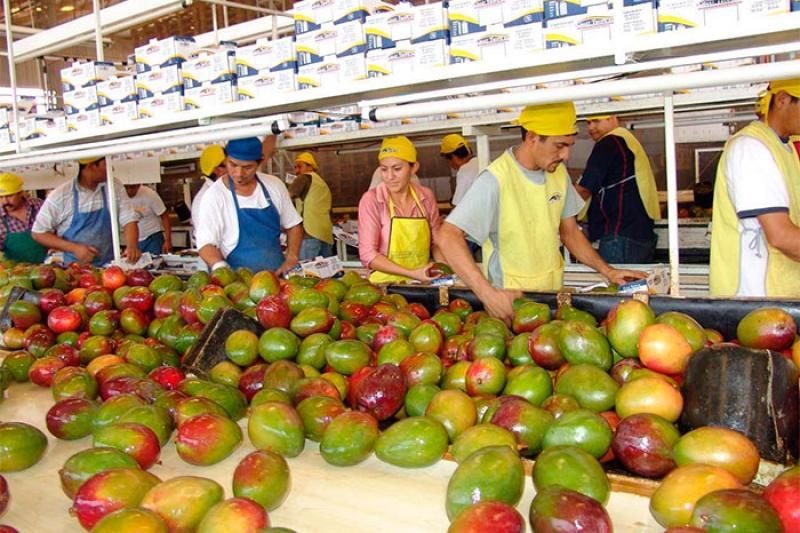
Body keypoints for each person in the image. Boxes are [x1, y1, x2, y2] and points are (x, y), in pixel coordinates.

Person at [437, 102, 645, 322]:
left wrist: (608, 271)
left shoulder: (558, 172)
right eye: (559, 146)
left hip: (551, 298)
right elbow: (448, 236)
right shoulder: (496, 179)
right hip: (512, 306)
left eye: (569, 145)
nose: (566, 155)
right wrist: (487, 294)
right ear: (532, 137)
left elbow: (570, 232)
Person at [709, 78, 800, 297]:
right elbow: (780, 236)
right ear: (782, 100)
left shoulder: (785, 148)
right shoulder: (751, 148)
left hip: (780, 293)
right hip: (756, 297)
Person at [195, 137, 304, 274]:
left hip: (276, 277)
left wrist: (292, 257)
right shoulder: (214, 196)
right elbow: (205, 244)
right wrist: (220, 267)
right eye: (233, 165)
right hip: (237, 282)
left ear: (259, 162)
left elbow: (294, 225)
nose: (239, 173)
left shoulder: (274, 185)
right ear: (225, 160)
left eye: (247, 167)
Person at [574, 115, 661, 263]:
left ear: (613, 118)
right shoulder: (628, 142)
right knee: (632, 284)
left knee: (613, 284)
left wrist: (558, 214)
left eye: (596, 121)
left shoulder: (610, 142)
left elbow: (584, 188)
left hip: (620, 236)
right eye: (588, 122)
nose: (590, 128)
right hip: (640, 234)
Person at [358, 136, 444, 283]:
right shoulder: (372, 200)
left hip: (422, 282)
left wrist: (444, 269)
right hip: (385, 286)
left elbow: (436, 242)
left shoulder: (426, 196)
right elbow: (368, 255)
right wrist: (411, 273)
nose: (390, 176)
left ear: (414, 167)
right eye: (384, 170)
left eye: (397, 169)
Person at [32, 157, 140, 266]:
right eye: (105, 165)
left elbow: (129, 218)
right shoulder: (61, 196)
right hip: (75, 269)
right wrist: (74, 248)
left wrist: (132, 245)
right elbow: (38, 232)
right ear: (91, 166)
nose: (111, 169)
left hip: (110, 265)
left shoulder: (114, 186)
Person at [289, 152, 334, 260]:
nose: (296, 171)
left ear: (310, 166)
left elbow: (286, 199)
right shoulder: (322, 183)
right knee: (326, 273)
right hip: (325, 233)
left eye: (300, 166)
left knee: (307, 273)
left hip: (309, 232)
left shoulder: (304, 178)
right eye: (295, 167)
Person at [0, 172, 47, 263]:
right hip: (18, 273)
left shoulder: (40, 206)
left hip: (50, 268)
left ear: (21, 193)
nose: (5, 201)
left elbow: (58, 229)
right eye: (0, 197)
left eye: (9, 196)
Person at [125, 183, 172, 256]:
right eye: (126, 187)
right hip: (135, 241)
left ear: (138, 185)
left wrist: (168, 241)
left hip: (153, 238)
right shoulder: (122, 197)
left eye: (132, 187)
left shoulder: (150, 194)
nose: (129, 191)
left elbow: (165, 216)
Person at [440, 134, 480, 206]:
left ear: (454, 157)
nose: (450, 165)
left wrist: (449, 217)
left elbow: (457, 205)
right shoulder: (483, 161)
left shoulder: (465, 170)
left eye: (448, 160)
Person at [192, 144, 227, 226]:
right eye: (231, 165)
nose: (236, 170)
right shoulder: (204, 201)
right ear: (218, 170)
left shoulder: (224, 190)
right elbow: (207, 238)